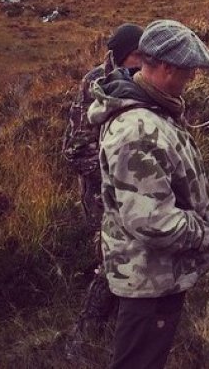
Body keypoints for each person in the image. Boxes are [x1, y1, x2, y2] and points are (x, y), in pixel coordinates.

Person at [87, 19, 209, 369]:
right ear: (164, 67)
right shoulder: (137, 131)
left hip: (158, 274)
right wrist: (203, 231)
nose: (191, 81)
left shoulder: (155, 111)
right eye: (188, 73)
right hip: (148, 279)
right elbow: (154, 223)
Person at [62, 22, 143, 359]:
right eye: (139, 55)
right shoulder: (95, 83)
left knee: (134, 258)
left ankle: (123, 323)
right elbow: (75, 151)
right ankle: (83, 336)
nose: (144, 62)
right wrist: (117, 173)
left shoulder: (141, 79)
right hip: (101, 193)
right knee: (111, 263)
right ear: (124, 55)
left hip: (134, 191)